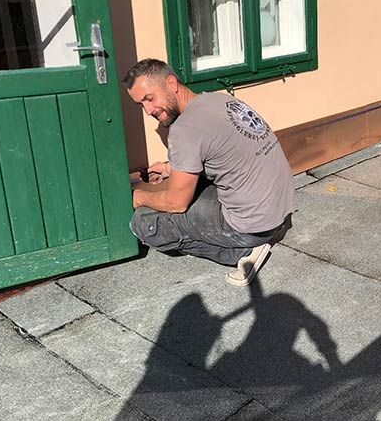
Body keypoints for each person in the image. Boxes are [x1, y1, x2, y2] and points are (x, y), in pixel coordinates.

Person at [125, 59, 293, 286]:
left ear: (172, 83)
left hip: (252, 227)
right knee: (190, 189)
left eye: (149, 98)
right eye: (140, 105)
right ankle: (259, 237)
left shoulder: (184, 129)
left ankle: (242, 254)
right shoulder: (218, 99)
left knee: (143, 221)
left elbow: (177, 204)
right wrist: (168, 169)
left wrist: (138, 198)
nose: (148, 111)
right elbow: (222, 154)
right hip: (279, 211)